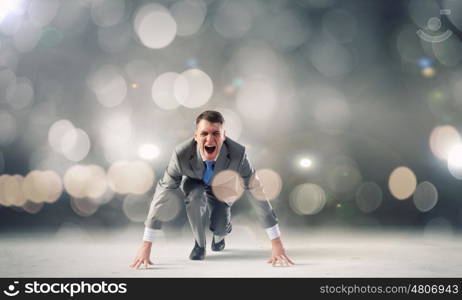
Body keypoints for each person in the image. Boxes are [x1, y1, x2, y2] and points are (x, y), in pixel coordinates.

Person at [130, 110, 293, 268]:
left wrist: (276, 242)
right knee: (196, 197)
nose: (210, 139)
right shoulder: (181, 155)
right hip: (195, 183)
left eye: (216, 133)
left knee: (220, 226)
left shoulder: (238, 154)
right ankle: (199, 245)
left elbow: (256, 191)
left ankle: (219, 237)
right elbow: (162, 194)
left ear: (224, 135)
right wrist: (146, 244)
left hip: (223, 185)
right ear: (196, 136)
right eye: (204, 134)